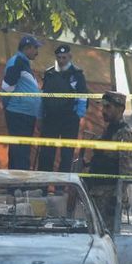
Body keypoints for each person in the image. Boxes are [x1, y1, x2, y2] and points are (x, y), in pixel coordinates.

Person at [86, 91, 132, 229]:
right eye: (103, 107)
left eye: (108, 107)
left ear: (120, 109)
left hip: (109, 198)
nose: (103, 111)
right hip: (97, 193)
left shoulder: (124, 134)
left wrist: (116, 199)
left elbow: (126, 171)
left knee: (108, 237)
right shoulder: (109, 131)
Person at [37, 44, 89, 173]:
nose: (61, 61)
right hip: (50, 118)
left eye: (64, 57)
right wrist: (39, 117)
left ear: (70, 57)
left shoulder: (77, 74)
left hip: (69, 119)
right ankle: (42, 187)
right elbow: (42, 97)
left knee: (67, 155)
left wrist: (79, 116)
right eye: (59, 57)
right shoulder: (49, 73)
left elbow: (83, 97)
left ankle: (61, 188)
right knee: (46, 154)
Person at [1, 35, 42, 170]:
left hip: (25, 113)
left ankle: (15, 186)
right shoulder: (17, 61)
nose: (37, 52)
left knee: (20, 150)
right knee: (21, 151)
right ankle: (19, 187)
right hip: (18, 113)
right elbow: (7, 87)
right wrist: (10, 107)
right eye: (35, 48)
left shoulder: (23, 62)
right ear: (27, 48)